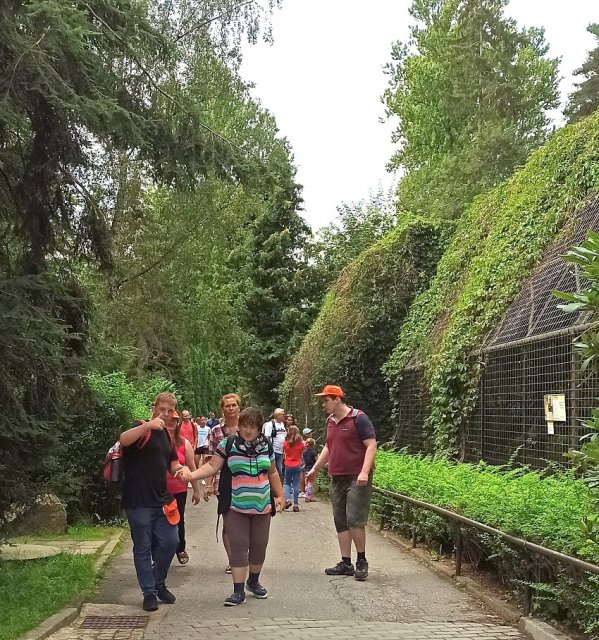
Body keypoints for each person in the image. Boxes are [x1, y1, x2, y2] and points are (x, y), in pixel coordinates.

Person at [186, 407, 285, 606]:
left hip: (262, 506)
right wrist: (191, 475)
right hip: (235, 505)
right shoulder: (228, 444)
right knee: (238, 545)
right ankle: (238, 591)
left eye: (252, 427)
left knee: (259, 546)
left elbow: (272, 472)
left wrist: (280, 495)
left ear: (259, 428)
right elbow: (211, 466)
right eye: (244, 426)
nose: (248, 430)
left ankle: (253, 581)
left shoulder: (266, 445)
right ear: (239, 426)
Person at [119, 392, 192, 611]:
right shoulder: (141, 427)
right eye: (162, 410)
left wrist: (182, 471)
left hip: (162, 500)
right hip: (138, 500)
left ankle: (158, 582)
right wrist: (148, 426)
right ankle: (149, 592)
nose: (166, 414)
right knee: (142, 547)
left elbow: (173, 464)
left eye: (170, 411)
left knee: (171, 541)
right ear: (154, 409)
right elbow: (123, 439)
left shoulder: (166, 436)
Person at [305, 385, 377, 582]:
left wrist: (364, 471)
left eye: (326, 400)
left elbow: (371, 445)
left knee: (354, 519)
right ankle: (346, 562)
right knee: (340, 520)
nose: (323, 404)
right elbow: (329, 447)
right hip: (337, 476)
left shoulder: (358, 418)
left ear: (337, 399)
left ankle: (361, 560)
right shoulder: (330, 421)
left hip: (356, 477)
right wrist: (315, 469)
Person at [204, 393, 241, 574]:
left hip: (246, 482)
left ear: (239, 407)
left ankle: (242, 557)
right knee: (229, 521)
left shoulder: (248, 427)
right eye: (228, 406)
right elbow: (211, 459)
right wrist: (209, 484)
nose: (231, 408)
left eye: (234, 405)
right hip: (223, 482)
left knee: (244, 521)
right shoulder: (216, 431)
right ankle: (233, 561)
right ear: (222, 409)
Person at [165, 414, 201, 565]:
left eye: (174, 421)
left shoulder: (184, 443)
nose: (171, 424)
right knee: (158, 520)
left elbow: (192, 467)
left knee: (178, 519)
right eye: (168, 421)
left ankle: (180, 548)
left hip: (178, 489)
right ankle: (160, 551)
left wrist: (196, 490)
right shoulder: (156, 441)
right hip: (158, 489)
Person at [282, 425, 304, 512]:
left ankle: (287, 500)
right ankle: (296, 505)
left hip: (288, 465)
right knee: (296, 484)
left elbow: (284, 452)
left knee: (287, 483)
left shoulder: (286, 443)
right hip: (297, 465)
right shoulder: (300, 444)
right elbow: (301, 453)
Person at [262, 408, 287, 478]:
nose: (284, 416)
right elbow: (267, 438)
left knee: (280, 471)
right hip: (273, 451)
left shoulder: (282, 424)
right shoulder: (270, 424)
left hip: (281, 451)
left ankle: (279, 484)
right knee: (273, 471)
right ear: (278, 415)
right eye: (283, 414)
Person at [302, 437, 318, 502]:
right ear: (313, 445)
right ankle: (309, 497)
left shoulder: (304, 452)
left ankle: (307, 495)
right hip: (312, 469)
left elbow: (304, 460)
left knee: (307, 482)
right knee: (311, 483)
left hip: (306, 468)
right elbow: (317, 461)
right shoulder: (314, 453)